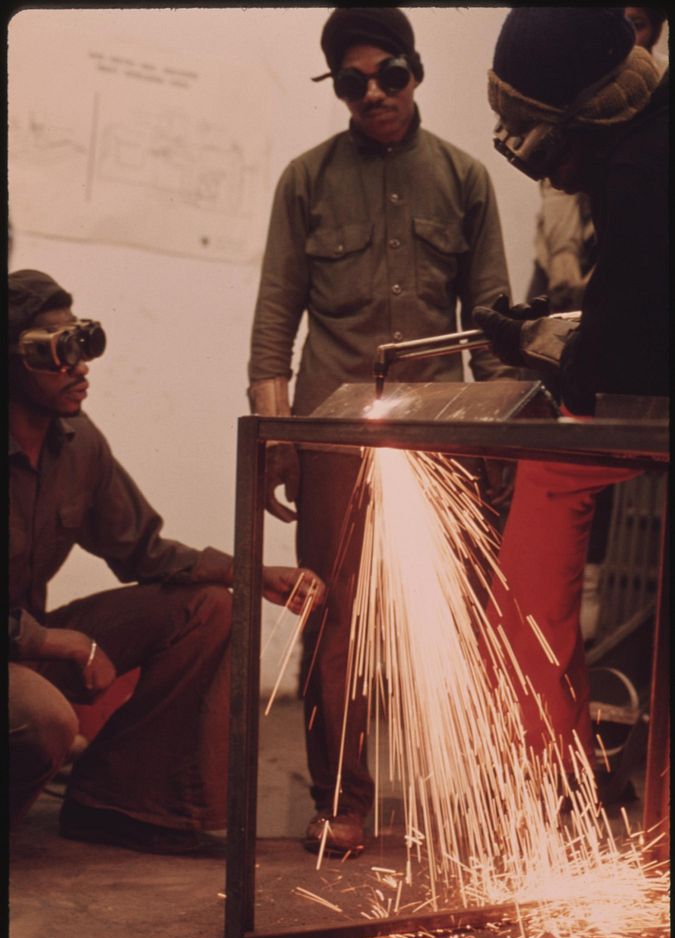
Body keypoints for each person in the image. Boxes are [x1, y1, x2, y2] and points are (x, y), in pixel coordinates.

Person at [247, 7, 520, 856]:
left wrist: (496, 449)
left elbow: (491, 331)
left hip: (438, 433)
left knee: (443, 618)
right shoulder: (305, 180)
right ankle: (343, 799)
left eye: (389, 75)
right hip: (333, 438)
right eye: (353, 82)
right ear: (338, 88)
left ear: (415, 71)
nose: (374, 95)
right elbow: (272, 328)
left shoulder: (466, 180)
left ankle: (461, 801)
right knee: (338, 623)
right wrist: (277, 440)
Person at [9, 268, 325, 854]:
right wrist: (67, 645)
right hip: (21, 653)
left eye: (83, 345)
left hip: (25, 650)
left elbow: (144, 552)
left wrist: (254, 575)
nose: (79, 367)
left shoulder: (77, 442)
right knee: (47, 717)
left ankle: (120, 804)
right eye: (57, 352)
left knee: (207, 609)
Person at [471, 8, 668, 790]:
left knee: (554, 467)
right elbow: (634, 298)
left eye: (540, 138)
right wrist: (561, 329)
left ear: (586, 116)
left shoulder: (640, 170)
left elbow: (630, 346)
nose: (543, 166)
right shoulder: (647, 141)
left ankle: (531, 757)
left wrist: (541, 347)